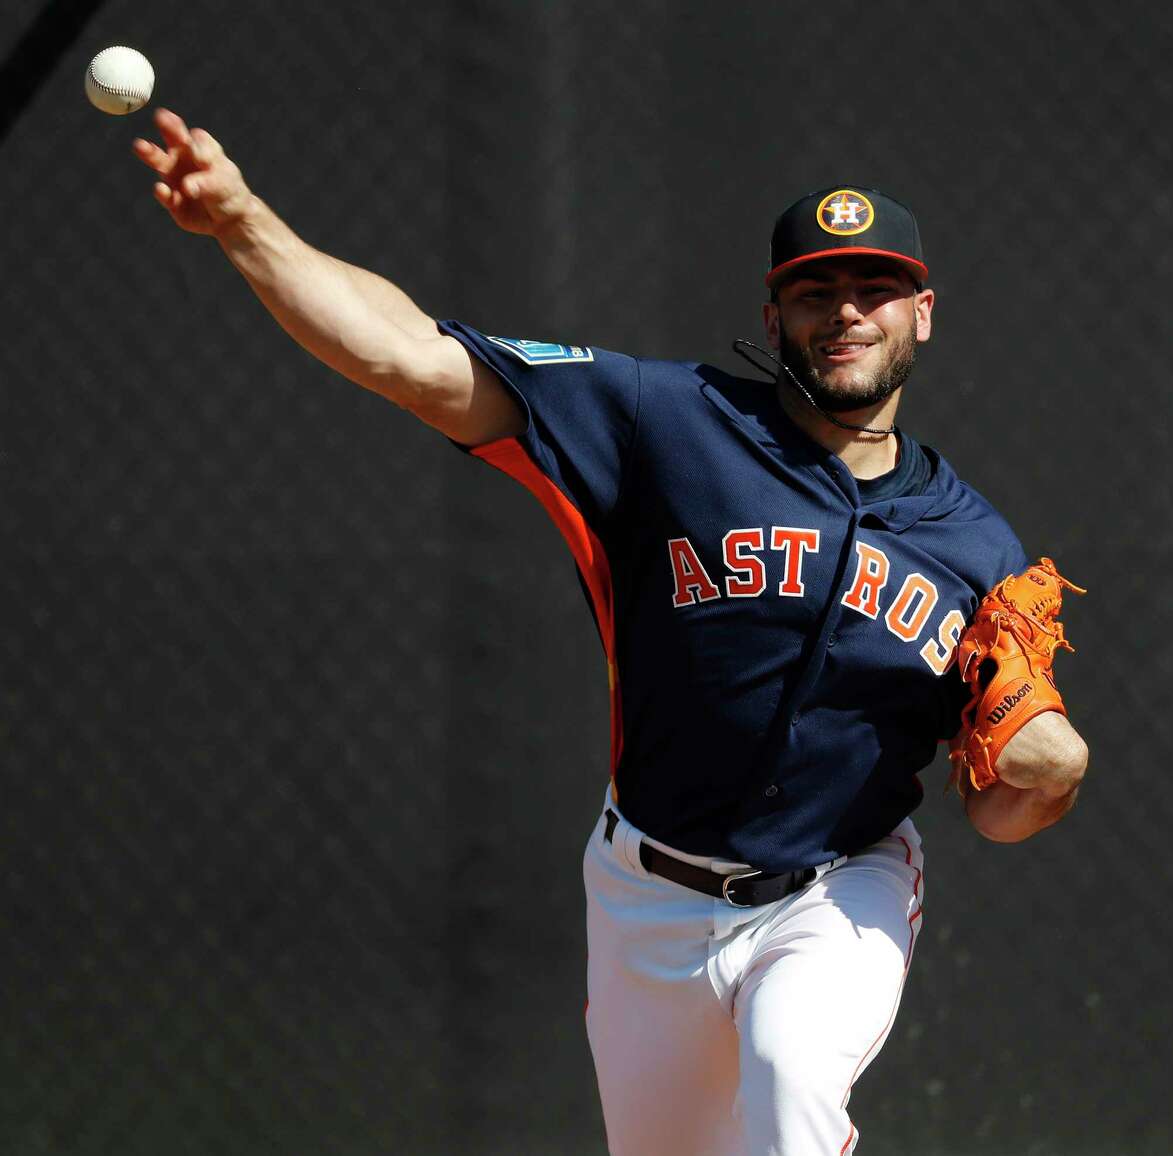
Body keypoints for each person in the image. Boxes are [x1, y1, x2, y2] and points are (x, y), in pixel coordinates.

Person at [134, 110, 1089, 1155]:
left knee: (792, 1076)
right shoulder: (663, 423)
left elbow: (1000, 812)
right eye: (815, 290)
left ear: (924, 314)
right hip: (651, 899)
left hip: (839, 884)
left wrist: (1051, 775)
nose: (847, 312)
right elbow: (410, 356)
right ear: (772, 322)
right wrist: (243, 222)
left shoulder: (977, 548)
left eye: (876, 289)